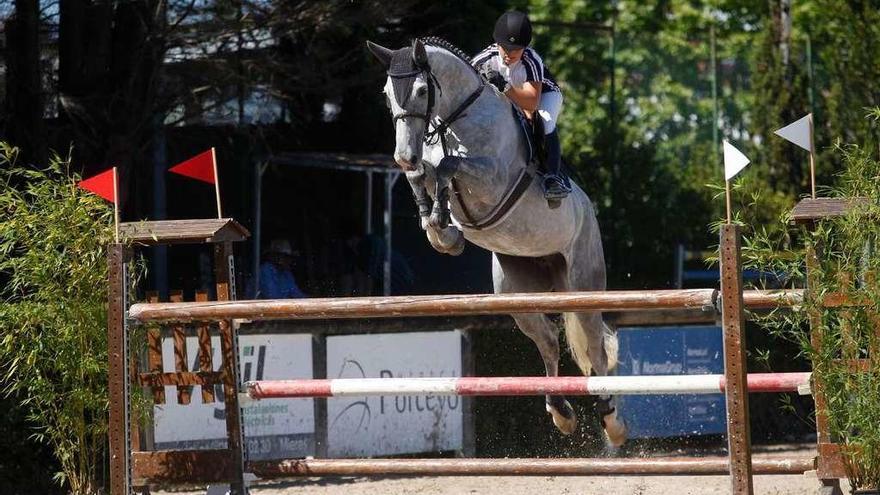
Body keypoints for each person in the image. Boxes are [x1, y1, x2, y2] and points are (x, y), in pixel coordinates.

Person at [472, 10, 571, 201]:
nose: (509, 55)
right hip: (511, 97)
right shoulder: (483, 60)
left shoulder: (532, 60)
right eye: (505, 49)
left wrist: (506, 87)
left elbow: (531, 103)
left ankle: (554, 177)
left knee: (545, 121)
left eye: (515, 50)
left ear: (525, 48)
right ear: (497, 44)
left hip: (544, 96)